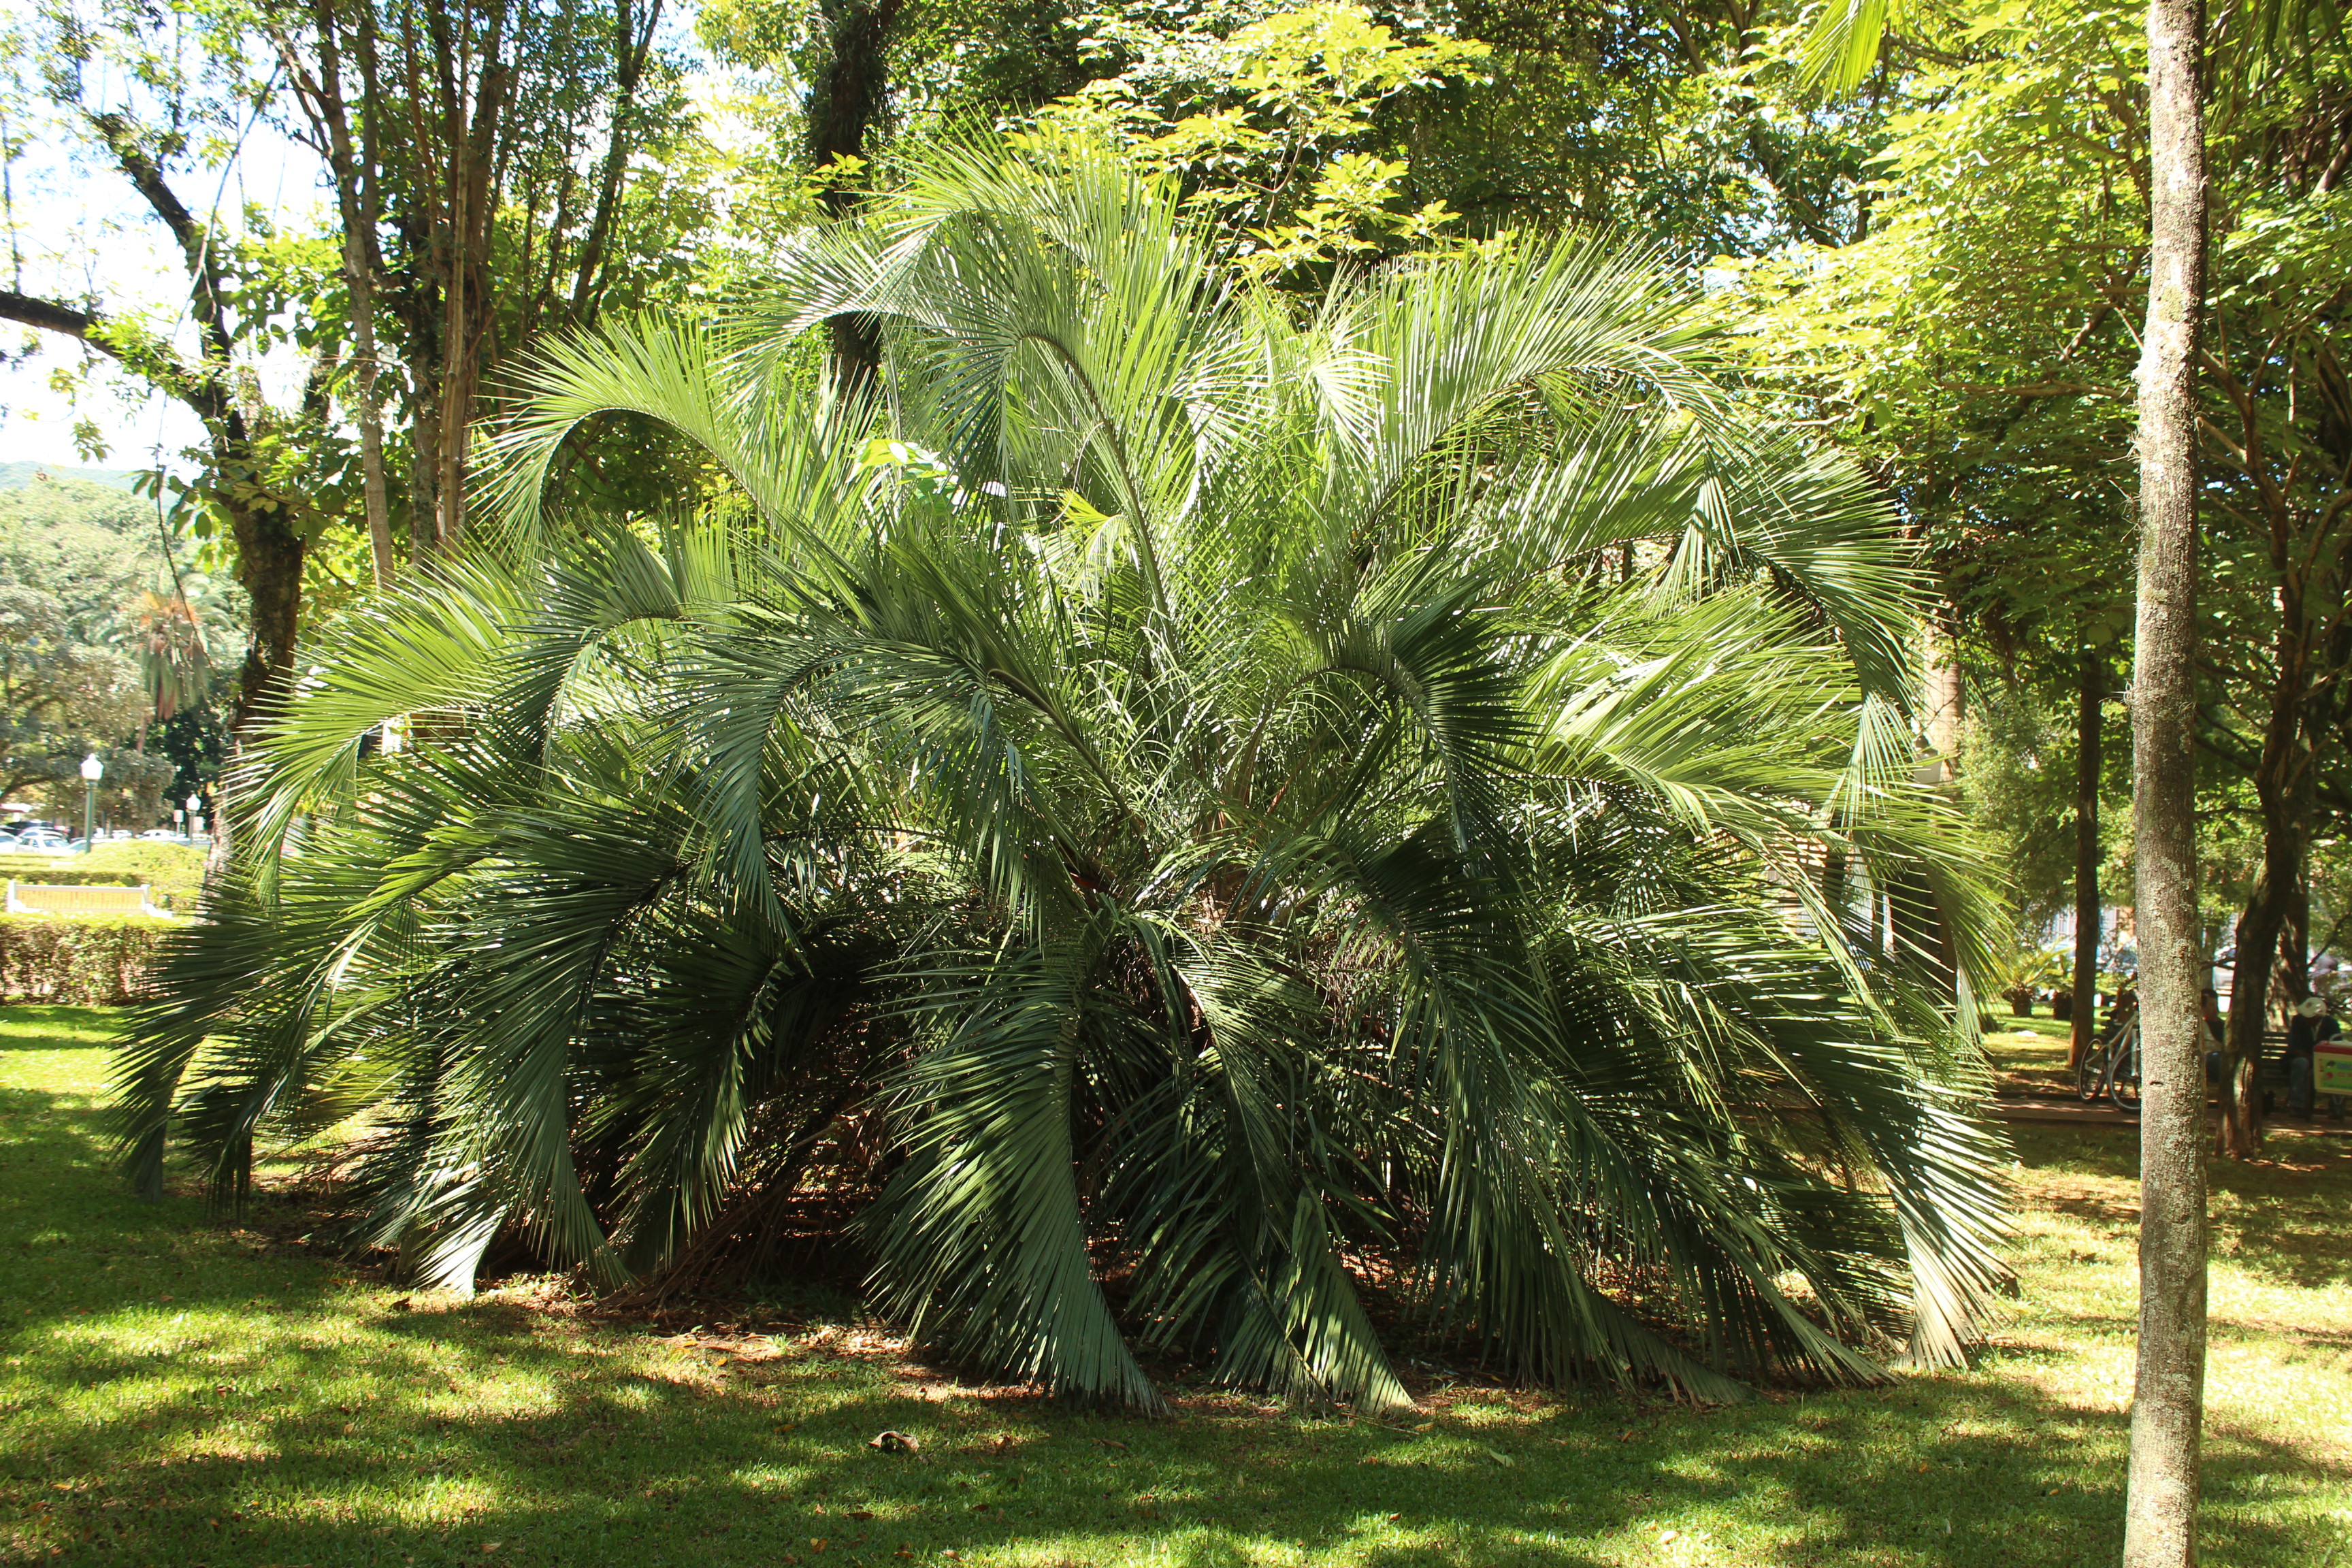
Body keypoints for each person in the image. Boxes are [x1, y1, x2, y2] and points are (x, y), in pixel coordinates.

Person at [2284, 996, 2336, 1118]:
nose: (2305, 1018)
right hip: (2302, 1059)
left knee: (2337, 1069)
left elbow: (2336, 1044)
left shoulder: (2331, 1024)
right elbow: (2296, 1047)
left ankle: (2335, 1108)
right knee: (2301, 1063)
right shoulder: (2298, 1021)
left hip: (2325, 1061)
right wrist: (2312, 1058)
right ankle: (2297, 1105)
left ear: (2317, 1017)